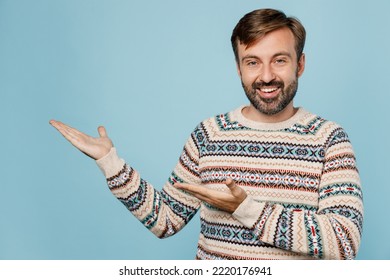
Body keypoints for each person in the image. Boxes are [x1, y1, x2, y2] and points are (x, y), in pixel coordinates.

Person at [50, 8, 363, 260]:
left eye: (279, 60)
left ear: (300, 65)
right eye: (252, 62)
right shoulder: (209, 134)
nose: (266, 76)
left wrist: (247, 209)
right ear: (239, 68)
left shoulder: (328, 139)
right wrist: (110, 163)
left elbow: (343, 241)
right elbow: (165, 220)